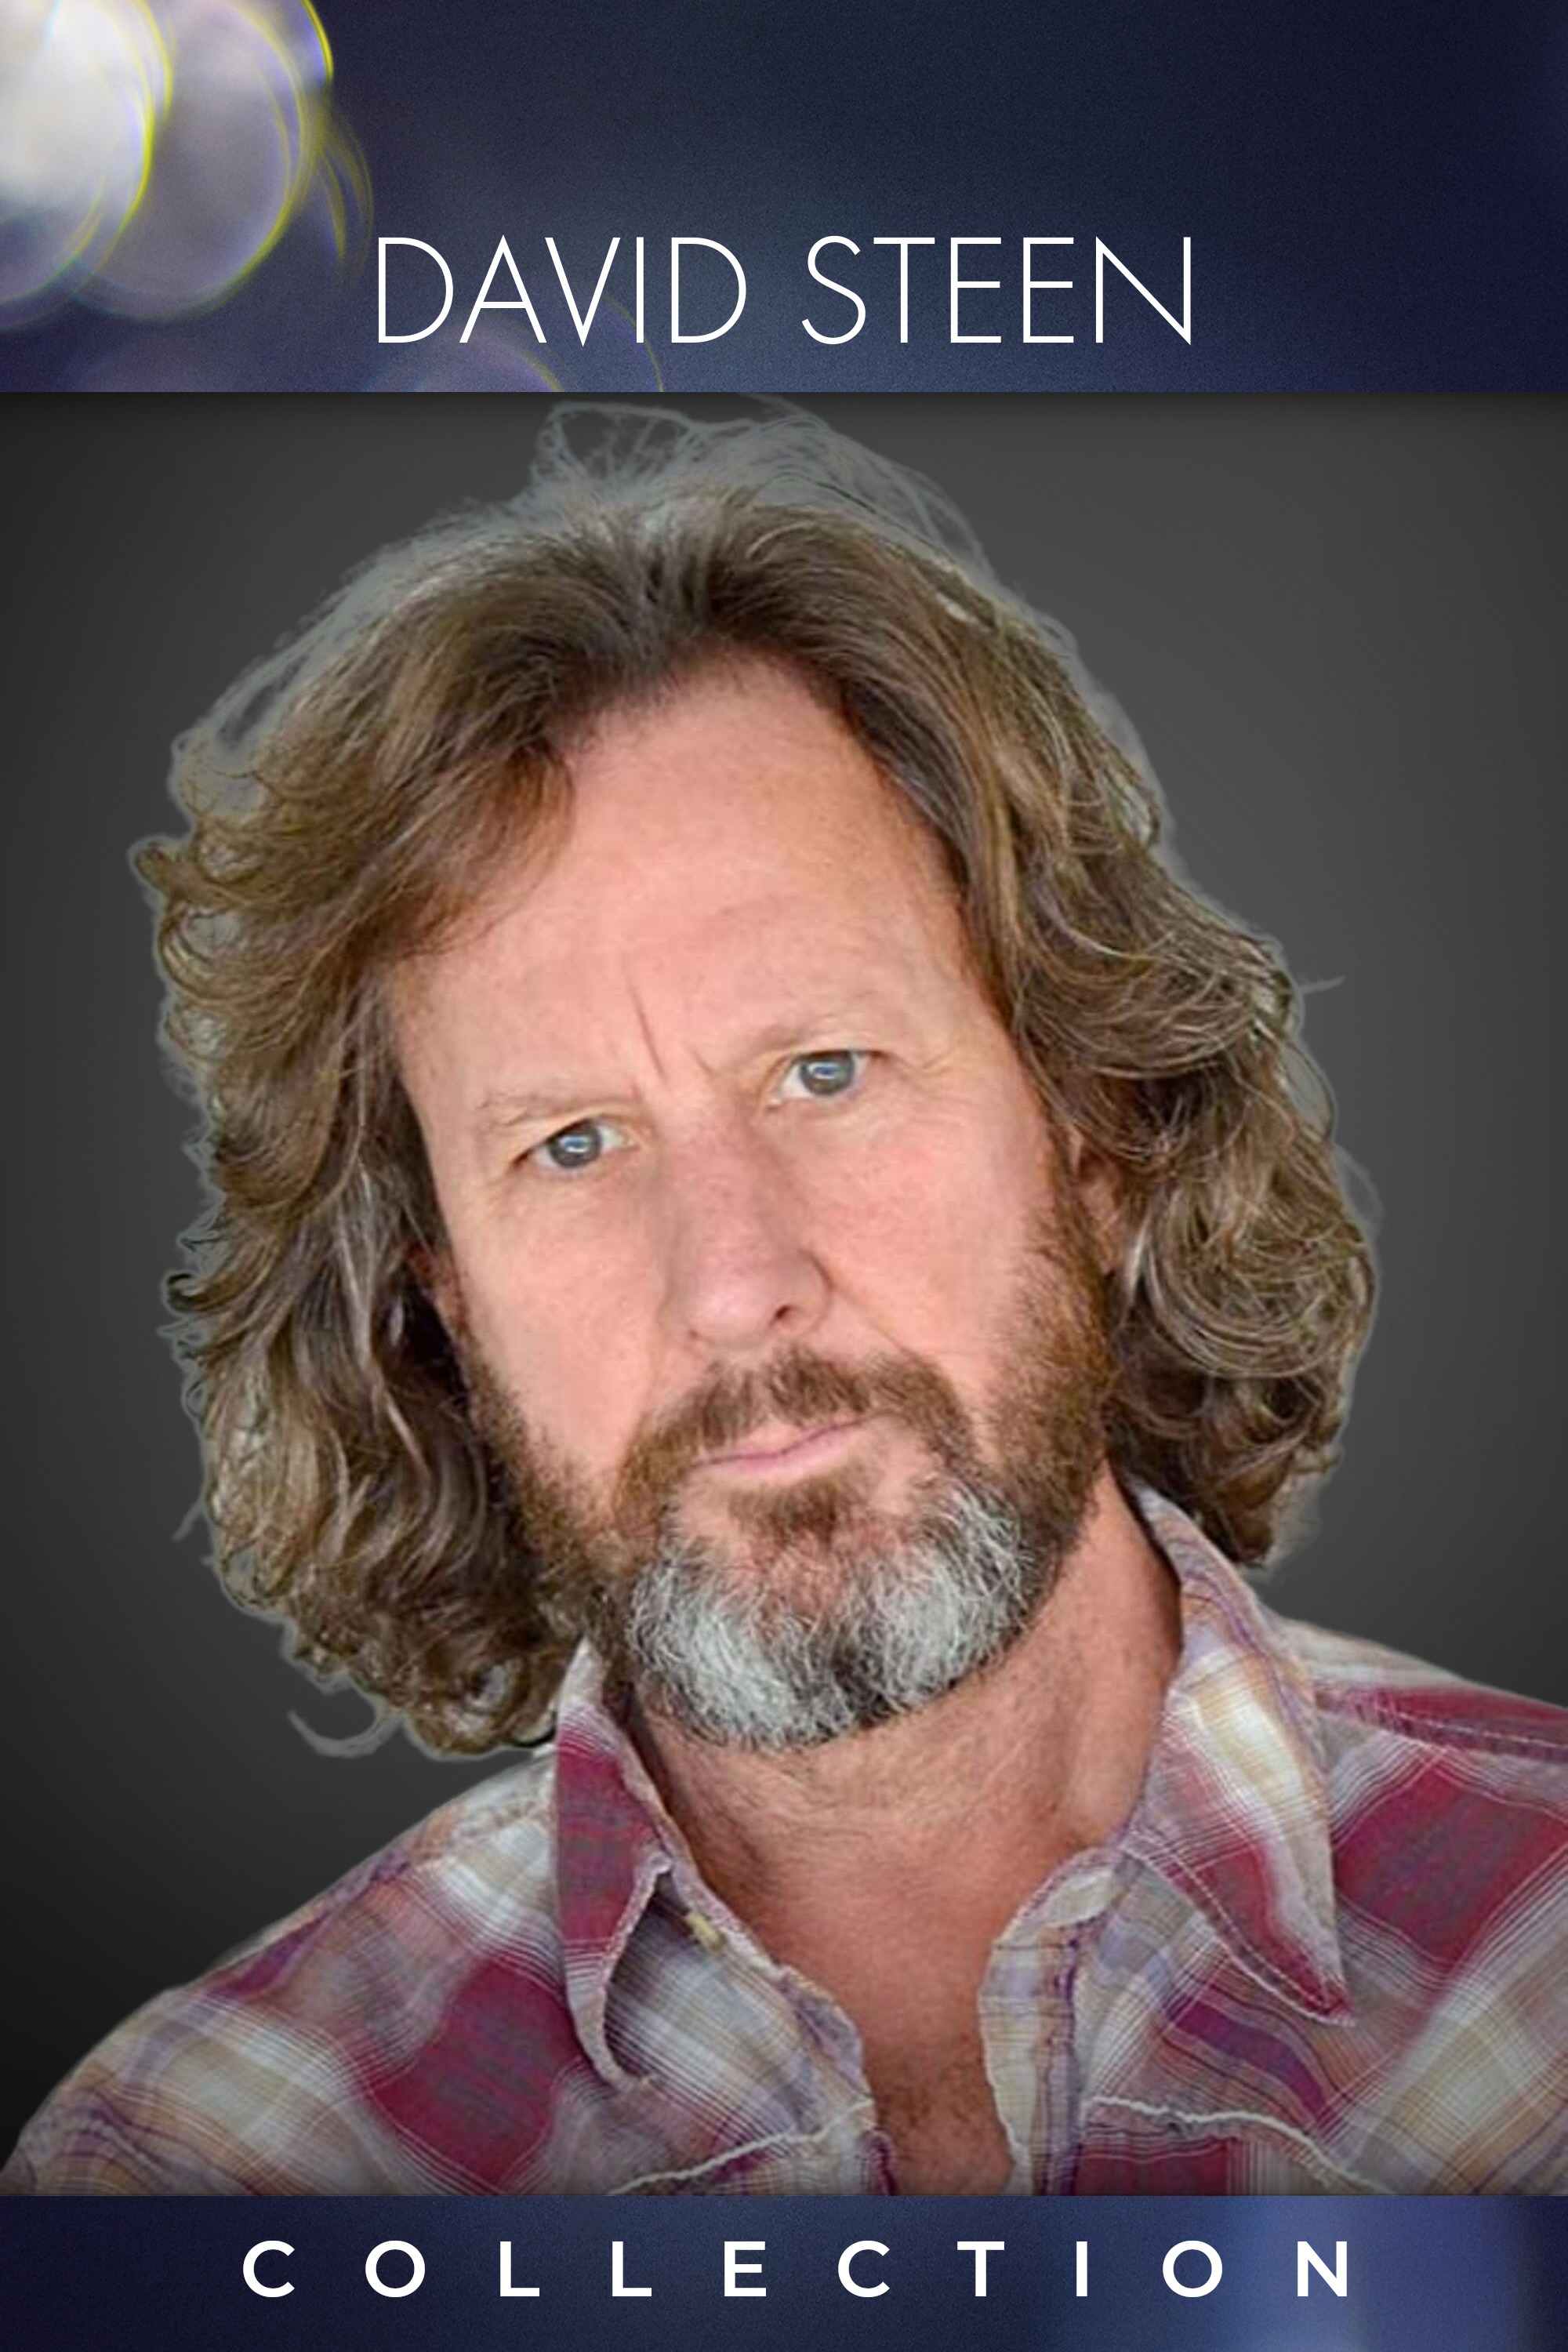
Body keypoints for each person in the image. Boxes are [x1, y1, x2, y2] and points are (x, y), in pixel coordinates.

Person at [5, 404, 1565, 2197]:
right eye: (572, 1144)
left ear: (1093, 1126)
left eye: (824, 1072)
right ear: (445, 1305)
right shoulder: (204, 2171)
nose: (735, 1284)